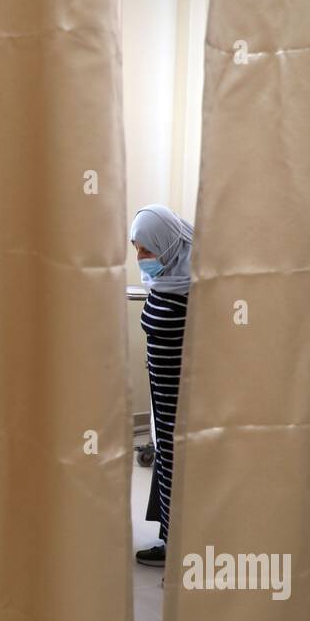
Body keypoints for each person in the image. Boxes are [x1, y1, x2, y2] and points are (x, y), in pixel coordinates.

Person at [130, 206, 193, 567]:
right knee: (166, 466)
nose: (140, 258)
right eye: (136, 248)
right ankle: (170, 542)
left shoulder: (192, 288)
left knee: (180, 468)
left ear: (168, 245)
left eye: (146, 250)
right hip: (162, 393)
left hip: (183, 399)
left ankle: (182, 549)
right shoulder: (164, 278)